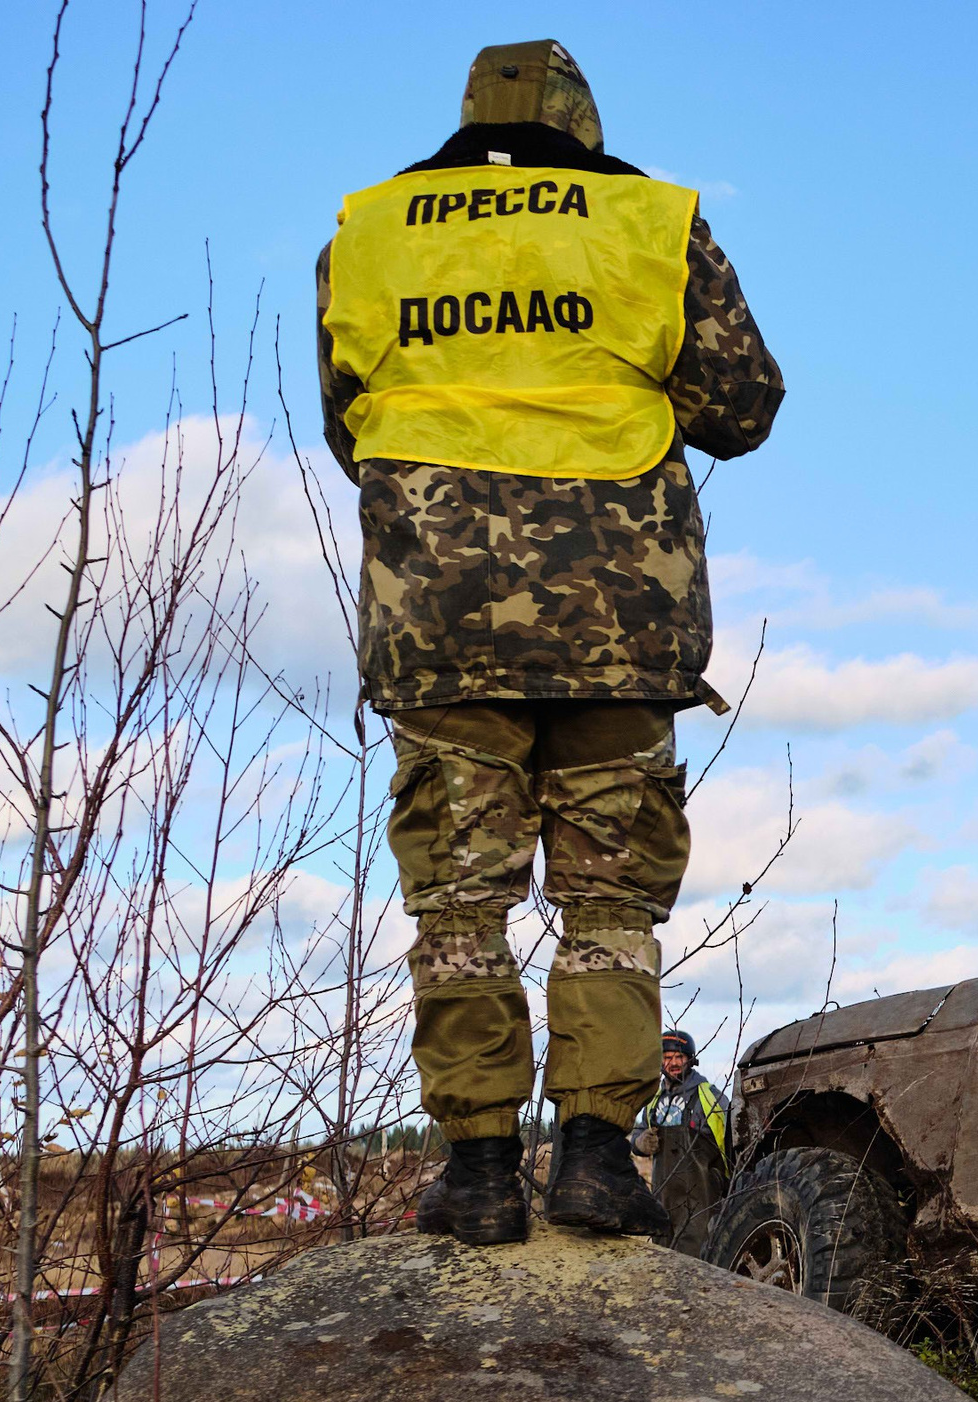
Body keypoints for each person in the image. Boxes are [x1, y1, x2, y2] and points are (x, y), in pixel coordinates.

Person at [316, 41, 782, 1246]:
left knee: (460, 904)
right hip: (619, 620)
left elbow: (347, 420)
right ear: (581, 123)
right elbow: (745, 407)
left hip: (439, 618)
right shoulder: (651, 223)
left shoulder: (367, 231)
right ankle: (591, 1162)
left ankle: (475, 1175)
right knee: (611, 898)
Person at [633, 1028, 733, 1256]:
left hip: (701, 1204)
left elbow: (732, 1141)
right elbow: (637, 1135)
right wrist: (641, 1142)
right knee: (663, 1262)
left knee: (697, 1262)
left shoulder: (709, 1096)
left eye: (679, 1057)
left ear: (690, 1060)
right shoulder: (654, 1101)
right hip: (663, 1201)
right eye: (667, 1058)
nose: (674, 1063)